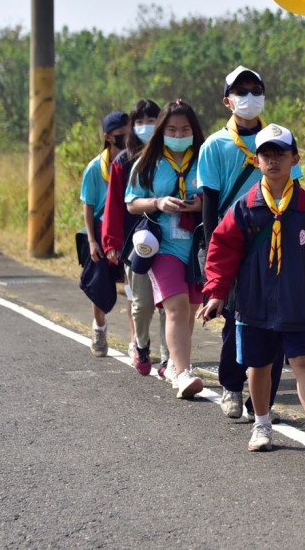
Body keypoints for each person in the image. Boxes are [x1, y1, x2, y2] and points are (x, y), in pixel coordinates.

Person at [200, 124, 305, 456]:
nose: (273, 160)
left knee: (302, 362)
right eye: (266, 154)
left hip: (297, 303)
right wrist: (216, 293)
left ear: (294, 158)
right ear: (256, 161)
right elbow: (222, 251)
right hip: (253, 303)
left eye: (280, 153)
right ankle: (262, 424)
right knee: (258, 366)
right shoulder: (245, 207)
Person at [198, 66, 303, 420]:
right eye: (240, 91)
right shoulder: (215, 145)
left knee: (275, 323)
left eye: (255, 89)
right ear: (227, 101)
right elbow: (210, 202)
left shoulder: (279, 140)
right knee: (235, 320)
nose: (249, 97)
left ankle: (263, 403)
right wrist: (217, 256)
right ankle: (231, 385)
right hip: (233, 247)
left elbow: (295, 193)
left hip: (274, 245)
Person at [125, 99, 207, 399]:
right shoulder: (148, 162)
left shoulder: (204, 158)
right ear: (161, 131)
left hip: (196, 246)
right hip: (164, 246)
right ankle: (184, 374)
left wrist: (200, 203)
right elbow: (132, 203)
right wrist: (158, 202)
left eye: (184, 128)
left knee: (190, 311)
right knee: (177, 307)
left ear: (194, 130)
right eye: (171, 129)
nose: (178, 134)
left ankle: (174, 363)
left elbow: (216, 194)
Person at [102, 99, 169, 377]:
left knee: (169, 301)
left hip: (170, 240)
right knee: (141, 303)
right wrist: (111, 242)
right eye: (139, 121)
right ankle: (141, 345)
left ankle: (170, 359)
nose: (146, 126)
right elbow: (114, 206)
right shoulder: (123, 161)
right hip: (135, 243)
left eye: (152, 120)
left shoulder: (172, 156)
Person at [80, 110, 130, 357]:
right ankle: (99, 328)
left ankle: (137, 340)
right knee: (99, 287)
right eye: (121, 135)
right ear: (108, 137)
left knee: (134, 285)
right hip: (101, 231)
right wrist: (92, 241)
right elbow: (88, 207)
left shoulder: (135, 161)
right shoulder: (94, 169)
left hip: (128, 227)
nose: (126, 139)